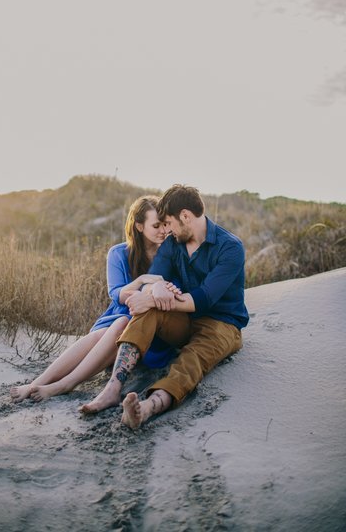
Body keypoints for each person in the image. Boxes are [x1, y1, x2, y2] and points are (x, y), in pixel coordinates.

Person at [80, 184, 249, 429]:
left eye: (168, 223)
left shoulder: (230, 247)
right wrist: (154, 290)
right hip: (182, 319)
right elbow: (154, 278)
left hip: (221, 323)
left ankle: (146, 408)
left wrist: (148, 297)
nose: (165, 230)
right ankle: (112, 389)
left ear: (185, 216)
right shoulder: (174, 243)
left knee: (191, 360)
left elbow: (202, 299)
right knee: (150, 311)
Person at [10, 195, 176, 403]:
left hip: (146, 332)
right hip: (115, 322)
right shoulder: (118, 253)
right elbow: (116, 294)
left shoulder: (170, 255)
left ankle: (66, 384)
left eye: (164, 224)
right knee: (115, 325)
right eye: (156, 225)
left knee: (123, 323)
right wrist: (142, 280)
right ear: (140, 226)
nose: (163, 230)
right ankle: (37, 382)